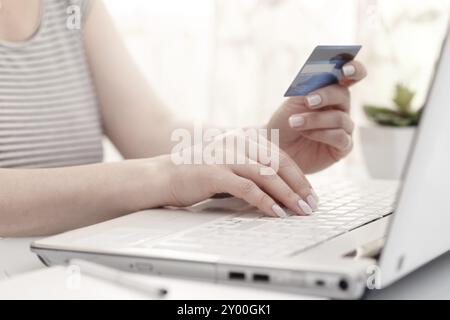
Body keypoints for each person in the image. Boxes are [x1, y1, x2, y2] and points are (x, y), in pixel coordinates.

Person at [0, 0, 367, 237]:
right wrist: (166, 175)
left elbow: (152, 129)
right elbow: (166, 166)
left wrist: (264, 148)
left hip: (67, 268)